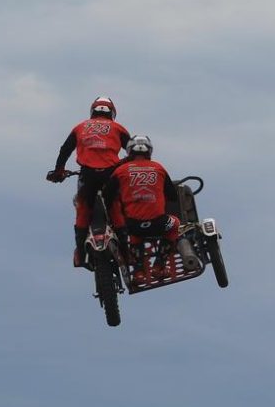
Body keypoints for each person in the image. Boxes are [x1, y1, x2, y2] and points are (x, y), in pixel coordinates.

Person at [46, 96, 130, 268]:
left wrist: (59, 171)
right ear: (112, 113)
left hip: (87, 175)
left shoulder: (80, 127)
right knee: (115, 207)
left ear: (93, 111)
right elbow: (133, 150)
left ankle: (81, 253)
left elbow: (65, 150)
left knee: (83, 210)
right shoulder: (117, 128)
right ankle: (127, 252)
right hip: (110, 173)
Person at [101, 134, 181, 279]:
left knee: (134, 234)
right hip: (159, 223)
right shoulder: (158, 168)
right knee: (175, 224)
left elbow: (107, 196)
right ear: (149, 150)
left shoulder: (120, 171)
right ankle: (159, 266)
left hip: (133, 226)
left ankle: (138, 273)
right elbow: (173, 196)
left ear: (129, 151)